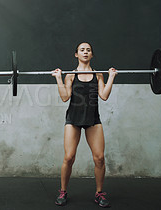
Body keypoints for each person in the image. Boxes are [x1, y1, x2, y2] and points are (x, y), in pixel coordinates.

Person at [52, 42, 117, 207]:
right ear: (76, 54)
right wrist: (59, 78)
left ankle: (99, 193)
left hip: (92, 119)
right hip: (73, 119)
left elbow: (104, 96)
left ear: (92, 55)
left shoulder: (99, 75)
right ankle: (63, 191)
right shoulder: (70, 75)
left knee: (100, 158)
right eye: (82, 50)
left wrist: (112, 78)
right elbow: (65, 97)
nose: (85, 52)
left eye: (88, 50)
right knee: (69, 157)